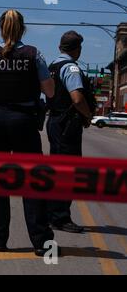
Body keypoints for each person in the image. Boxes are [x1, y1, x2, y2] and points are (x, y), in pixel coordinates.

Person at [0, 9, 56, 256]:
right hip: (24, 122)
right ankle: (41, 242)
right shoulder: (35, 55)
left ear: (1, 29)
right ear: (22, 29)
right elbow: (50, 91)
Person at [46, 31, 95, 233]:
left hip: (55, 121)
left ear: (60, 47)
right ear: (78, 49)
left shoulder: (52, 67)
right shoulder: (71, 68)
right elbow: (77, 98)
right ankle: (60, 218)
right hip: (67, 124)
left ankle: (53, 214)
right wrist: (88, 115)